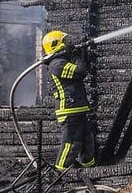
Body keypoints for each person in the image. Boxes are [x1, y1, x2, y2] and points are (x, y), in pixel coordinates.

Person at [41, 30, 98, 171]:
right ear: (56, 45)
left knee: (87, 140)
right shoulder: (56, 64)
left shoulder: (63, 60)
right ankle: (61, 172)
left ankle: (89, 169)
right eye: (65, 41)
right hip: (68, 108)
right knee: (72, 142)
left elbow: (84, 69)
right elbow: (79, 72)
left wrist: (83, 54)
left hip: (78, 107)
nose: (69, 43)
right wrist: (77, 56)